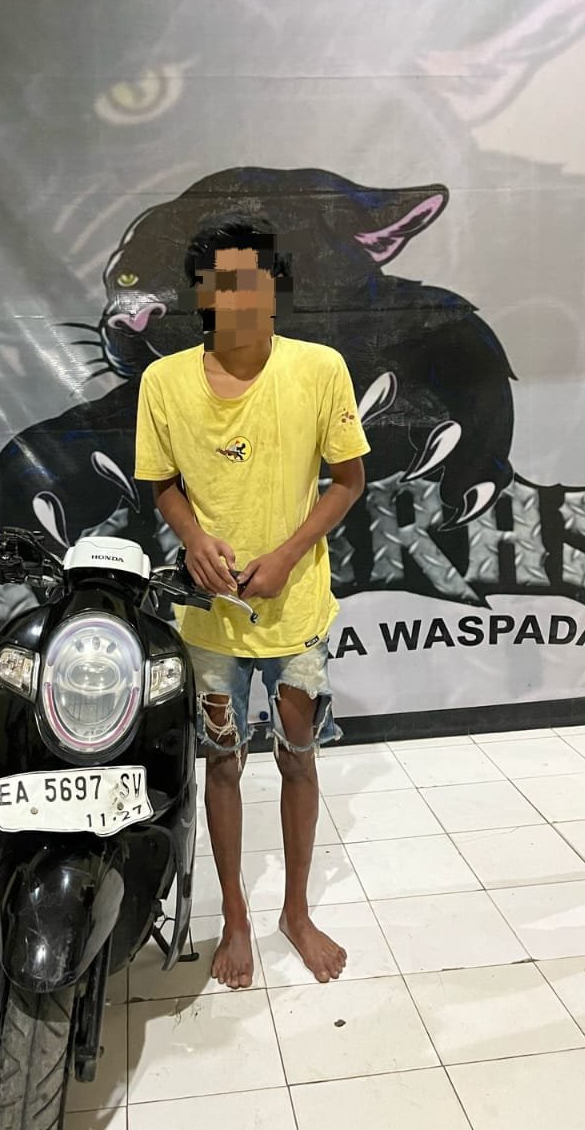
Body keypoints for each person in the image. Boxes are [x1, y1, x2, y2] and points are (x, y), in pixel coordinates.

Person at [134, 212, 370, 986]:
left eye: (252, 280)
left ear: (275, 287)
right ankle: (234, 916)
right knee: (222, 764)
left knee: (299, 756)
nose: (238, 296)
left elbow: (349, 480)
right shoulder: (164, 382)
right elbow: (162, 485)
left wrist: (289, 553)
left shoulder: (320, 369)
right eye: (222, 282)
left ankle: (295, 912)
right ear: (201, 293)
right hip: (209, 620)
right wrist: (193, 540)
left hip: (295, 611)